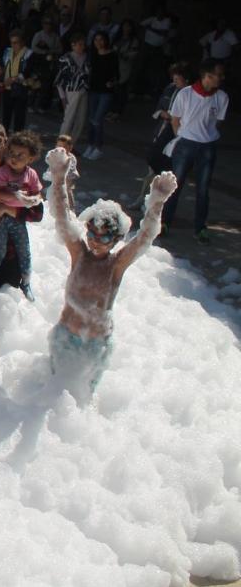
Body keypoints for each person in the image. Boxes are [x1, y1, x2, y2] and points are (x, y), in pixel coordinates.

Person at [45, 148, 177, 399]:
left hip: (95, 345)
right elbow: (62, 218)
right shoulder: (79, 255)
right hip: (65, 338)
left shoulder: (115, 266)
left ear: (116, 239)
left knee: (82, 398)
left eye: (104, 237)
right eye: (92, 233)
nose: (95, 241)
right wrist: (59, 177)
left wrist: (156, 203)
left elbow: (144, 238)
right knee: (54, 393)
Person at [161, 59, 229, 243]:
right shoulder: (186, 93)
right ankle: (165, 222)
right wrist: (182, 137)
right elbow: (175, 119)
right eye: (217, 75)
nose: (220, 78)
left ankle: (200, 227)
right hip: (186, 143)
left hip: (207, 145)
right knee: (176, 184)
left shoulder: (221, 97)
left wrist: (205, 135)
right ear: (207, 76)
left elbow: (218, 122)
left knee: (203, 188)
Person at [0, 131, 43, 299]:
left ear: (30, 158)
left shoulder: (31, 174)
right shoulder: (4, 172)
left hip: (17, 219)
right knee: (0, 248)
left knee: (24, 250)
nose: (14, 158)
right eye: (11, 153)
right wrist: (16, 197)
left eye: (20, 155)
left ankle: (26, 282)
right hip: (0, 218)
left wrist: (33, 199)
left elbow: (38, 195)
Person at [132, 62, 188, 209]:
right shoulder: (170, 89)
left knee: (166, 173)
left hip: (176, 136)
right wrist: (163, 114)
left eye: (178, 79)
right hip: (162, 131)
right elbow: (159, 107)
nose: (175, 82)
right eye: (174, 78)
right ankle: (142, 199)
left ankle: (156, 204)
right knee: (152, 169)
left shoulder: (189, 94)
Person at [83, 31, 119, 160]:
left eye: (101, 39)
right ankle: (90, 145)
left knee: (97, 120)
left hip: (105, 92)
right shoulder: (92, 55)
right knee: (91, 119)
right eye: (96, 40)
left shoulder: (112, 55)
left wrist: (112, 83)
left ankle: (98, 147)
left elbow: (117, 74)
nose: (98, 42)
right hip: (93, 90)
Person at [55, 34, 90, 144]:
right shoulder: (65, 59)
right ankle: (60, 145)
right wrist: (63, 97)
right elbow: (60, 80)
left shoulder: (87, 57)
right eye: (79, 44)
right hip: (71, 90)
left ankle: (71, 145)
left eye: (83, 44)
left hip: (84, 90)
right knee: (68, 119)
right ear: (73, 45)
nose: (81, 47)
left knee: (80, 120)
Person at [0, 31, 32, 133]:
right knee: (6, 116)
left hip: (21, 88)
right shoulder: (7, 51)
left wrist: (13, 79)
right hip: (7, 87)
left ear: (22, 42)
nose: (13, 45)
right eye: (12, 42)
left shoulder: (29, 53)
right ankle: (4, 138)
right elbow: (3, 66)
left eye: (16, 42)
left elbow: (28, 72)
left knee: (19, 117)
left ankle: (17, 139)